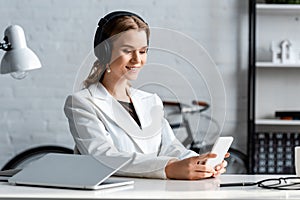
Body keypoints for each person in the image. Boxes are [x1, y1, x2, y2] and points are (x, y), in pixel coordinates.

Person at [64, 10, 229, 180]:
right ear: (105, 53)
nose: (137, 60)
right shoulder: (82, 103)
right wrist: (168, 168)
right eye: (128, 51)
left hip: (155, 191)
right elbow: (103, 157)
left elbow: (170, 147)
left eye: (143, 51)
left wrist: (199, 163)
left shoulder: (151, 101)